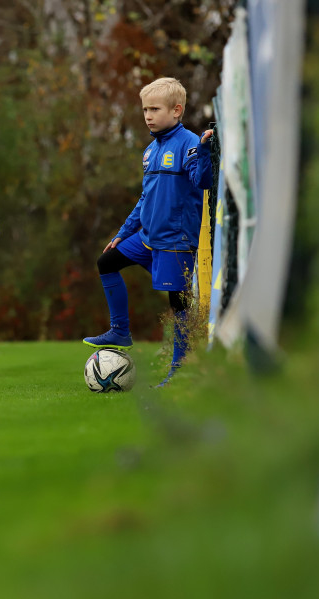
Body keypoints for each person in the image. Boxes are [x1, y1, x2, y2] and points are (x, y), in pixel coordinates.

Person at [83, 77, 215, 386]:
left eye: (154, 109)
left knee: (178, 304)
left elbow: (203, 183)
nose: (148, 116)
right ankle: (120, 331)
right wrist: (122, 232)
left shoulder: (190, 144)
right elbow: (146, 198)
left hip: (176, 241)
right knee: (107, 262)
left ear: (176, 110)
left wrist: (206, 151)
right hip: (147, 238)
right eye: (145, 109)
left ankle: (180, 370)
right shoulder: (149, 150)